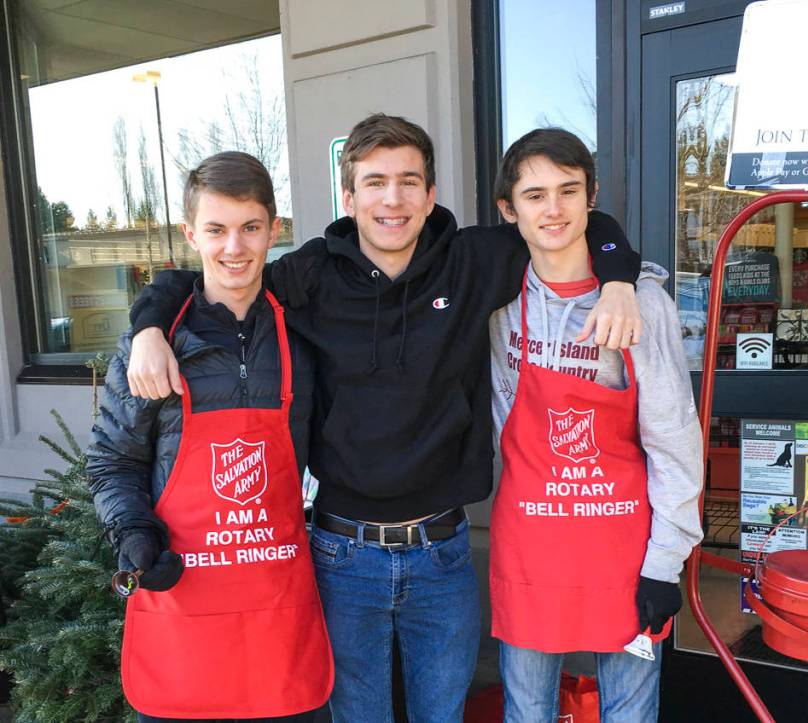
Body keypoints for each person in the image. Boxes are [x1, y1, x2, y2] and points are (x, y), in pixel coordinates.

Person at [123, 114, 643, 723]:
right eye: (374, 182)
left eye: (407, 181)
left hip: (443, 553)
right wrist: (147, 328)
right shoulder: (310, 273)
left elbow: (576, 221)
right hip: (344, 556)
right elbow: (209, 272)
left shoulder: (474, 260)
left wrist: (618, 282)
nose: (391, 199)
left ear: (430, 194)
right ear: (349, 197)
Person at [86, 152, 333, 722]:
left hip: (281, 619)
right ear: (190, 233)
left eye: (250, 228)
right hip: (182, 613)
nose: (234, 248)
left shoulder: (303, 332)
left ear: (274, 230)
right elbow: (111, 462)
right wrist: (133, 534)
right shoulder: (156, 345)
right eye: (216, 229)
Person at [487, 128, 704, 722]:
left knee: (629, 712)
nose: (552, 209)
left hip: (624, 549)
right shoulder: (495, 298)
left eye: (568, 190)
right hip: (530, 547)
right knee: (526, 710)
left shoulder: (641, 304)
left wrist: (665, 564)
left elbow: (676, 444)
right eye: (534, 195)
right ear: (509, 209)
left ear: (592, 197)